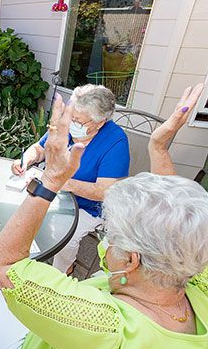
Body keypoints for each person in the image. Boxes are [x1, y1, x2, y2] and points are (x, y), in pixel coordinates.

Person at [0, 85, 208, 349]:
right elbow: (182, 223)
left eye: (112, 239)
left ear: (132, 260)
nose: (106, 245)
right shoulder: (198, 289)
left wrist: (53, 179)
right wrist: (158, 146)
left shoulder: (97, 324)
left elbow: (3, 260)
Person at [12, 84, 129, 274]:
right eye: (71, 116)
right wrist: (25, 160)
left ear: (100, 123)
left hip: (88, 207)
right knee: (20, 213)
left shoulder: (115, 142)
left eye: (79, 122)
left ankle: (61, 274)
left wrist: (66, 183)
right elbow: (40, 149)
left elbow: (104, 191)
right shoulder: (67, 122)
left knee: (62, 236)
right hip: (53, 192)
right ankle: (20, 261)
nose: (72, 123)